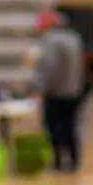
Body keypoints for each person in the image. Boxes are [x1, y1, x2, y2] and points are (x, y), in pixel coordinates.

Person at [34, 10, 88, 173]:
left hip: (57, 92)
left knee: (54, 126)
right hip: (74, 90)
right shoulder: (74, 38)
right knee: (71, 125)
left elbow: (50, 66)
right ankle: (74, 160)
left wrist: (40, 87)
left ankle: (58, 160)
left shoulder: (50, 40)